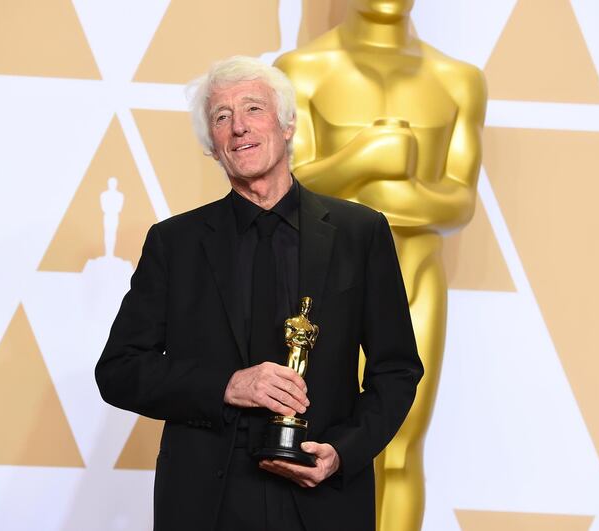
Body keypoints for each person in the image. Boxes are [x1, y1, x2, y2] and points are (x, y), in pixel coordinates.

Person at [95, 55, 423, 531]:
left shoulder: (361, 232)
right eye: (221, 117)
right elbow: (119, 370)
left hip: (323, 496)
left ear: (287, 125)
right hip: (208, 504)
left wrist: (342, 453)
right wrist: (228, 385)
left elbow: (396, 369)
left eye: (253, 109)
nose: (238, 128)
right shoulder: (175, 244)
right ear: (212, 146)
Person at [275, 1, 487, 528]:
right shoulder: (300, 70)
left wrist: (378, 185)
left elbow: (458, 201)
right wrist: (366, 156)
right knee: (308, 441)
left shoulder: (459, 80)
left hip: (416, 279)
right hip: (320, 288)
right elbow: (285, 184)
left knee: (401, 445)